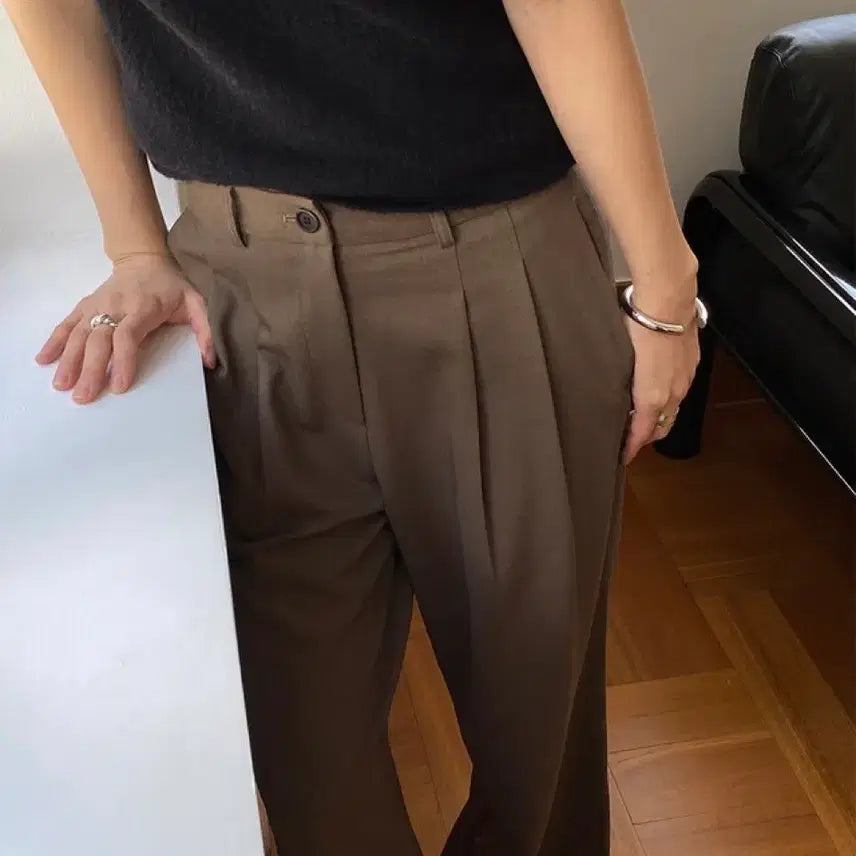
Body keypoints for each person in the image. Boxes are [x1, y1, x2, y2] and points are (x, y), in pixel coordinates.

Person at [6, 1, 702, 853]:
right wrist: (135, 247)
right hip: (241, 284)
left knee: (537, 740)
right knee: (309, 762)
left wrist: (666, 289)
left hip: (497, 254)